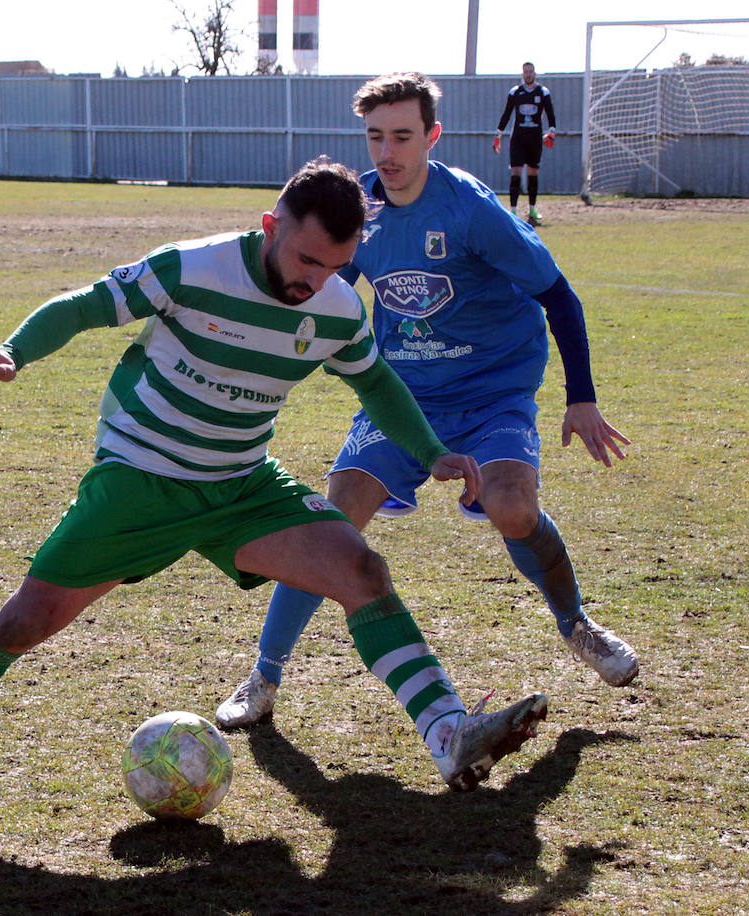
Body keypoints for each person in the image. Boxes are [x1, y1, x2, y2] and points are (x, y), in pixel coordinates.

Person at [0, 158, 550, 807]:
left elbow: (374, 379)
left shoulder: (337, 307)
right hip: (140, 484)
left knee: (362, 570)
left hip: (241, 487)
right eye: (306, 259)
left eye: (336, 266)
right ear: (270, 226)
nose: (314, 281)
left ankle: (449, 735)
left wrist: (432, 453)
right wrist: (12, 350)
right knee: (22, 623)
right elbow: (85, 305)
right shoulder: (192, 268)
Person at [217, 74, 637, 732]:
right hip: (405, 396)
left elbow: (559, 295)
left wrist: (580, 398)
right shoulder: (361, 209)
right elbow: (323, 281)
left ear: (431, 136)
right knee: (331, 522)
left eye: (403, 136)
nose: (387, 152)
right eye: (376, 136)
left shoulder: (468, 209)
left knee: (513, 509)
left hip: (491, 392)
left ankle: (576, 624)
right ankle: (264, 677)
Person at [495, 62, 556, 225]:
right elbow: (506, 113)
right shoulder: (515, 92)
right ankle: (513, 210)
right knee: (515, 172)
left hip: (535, 138)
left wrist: (552, 131)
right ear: (522, 75)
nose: (528, 74)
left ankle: (532, 209)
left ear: (534, 74)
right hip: (518, 138)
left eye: (531, 71)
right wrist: (498, 134)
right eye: (526, 72)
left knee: (533, 173)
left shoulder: (543, 92)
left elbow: (550, 113)